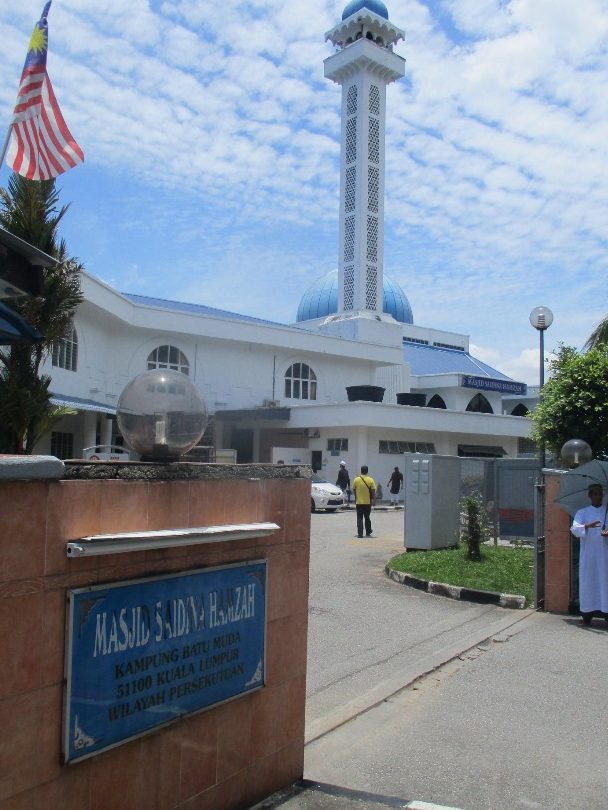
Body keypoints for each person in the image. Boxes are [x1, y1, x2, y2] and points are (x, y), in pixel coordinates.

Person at [570, 484, 608, 627]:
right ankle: (586, 616)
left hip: (604, 556)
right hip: (588, 557)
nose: (598, 496)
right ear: (590, 495)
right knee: (588, 583)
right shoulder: (582, 512)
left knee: (605, 583)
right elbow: (574, 529)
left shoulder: (607, 511)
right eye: (595, 494)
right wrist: (587, 526)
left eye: (600, 494)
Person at [352, 465, 376, 538]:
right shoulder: (371, 480)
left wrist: (356, 498)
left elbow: (354, 490)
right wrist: (373, 500)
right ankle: (368, 532)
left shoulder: (356, 480)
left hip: (359, 502)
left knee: (359, 518)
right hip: (367, 503)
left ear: (361, 471)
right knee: (367, 517)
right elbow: (373, 491)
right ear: (367, 471)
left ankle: (360, 534)